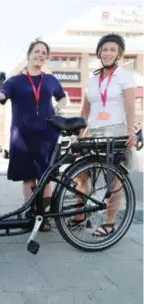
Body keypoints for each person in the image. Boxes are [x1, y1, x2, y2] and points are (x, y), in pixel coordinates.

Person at [0, 39, 68, 231]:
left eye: (43, 53)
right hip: (23, 136)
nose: (40, 55)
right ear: (28, 54)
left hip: (47, 134)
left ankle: (44, 216)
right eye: (36, 51)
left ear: (46, 58)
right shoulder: (16, 81)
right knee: (28, 177)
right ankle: (32, 212)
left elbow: (62, 97)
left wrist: (58, 107)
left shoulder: (50, 80)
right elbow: (2, 96)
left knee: (46, 177)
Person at [70, 33, 138, 236]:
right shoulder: (92, 79)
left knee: (114, 180)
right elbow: (85, 109)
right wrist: (80, 133)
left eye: (113, 50)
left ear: (119, 54)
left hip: (116, 131)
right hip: (94, 132)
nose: (108, 53)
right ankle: (80, 215)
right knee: (81, 174)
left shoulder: (125, 77)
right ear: (99, 52)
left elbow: (130, 106)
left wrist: (130, 132)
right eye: (105, 49)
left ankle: (109, 223)